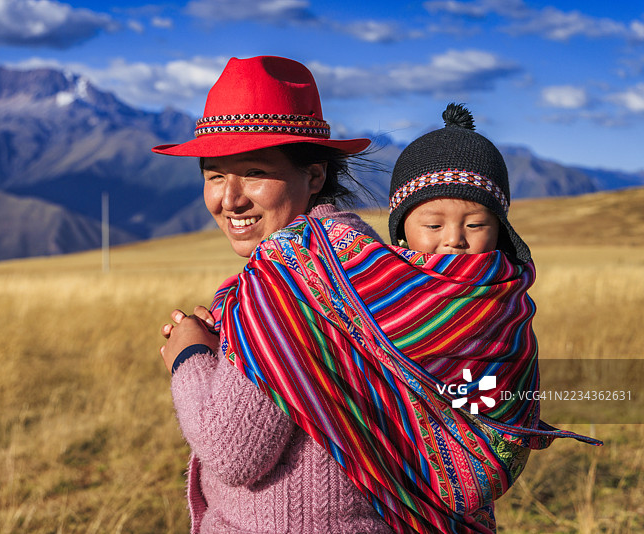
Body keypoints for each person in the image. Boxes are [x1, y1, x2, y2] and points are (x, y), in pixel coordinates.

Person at [153, 57, 600, 534]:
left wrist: (189, 356)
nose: (230, 199)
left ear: (315, 175)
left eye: (254, 171)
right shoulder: (368, 267)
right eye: (215, 175)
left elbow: (232, 453)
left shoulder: (282, 282)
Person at [387, 102, 528, 262]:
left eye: (474, 225)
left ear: (500, 229)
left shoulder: (514, 278)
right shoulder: (377, 277)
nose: (454, 240)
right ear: (400, 229)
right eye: (434, 226)